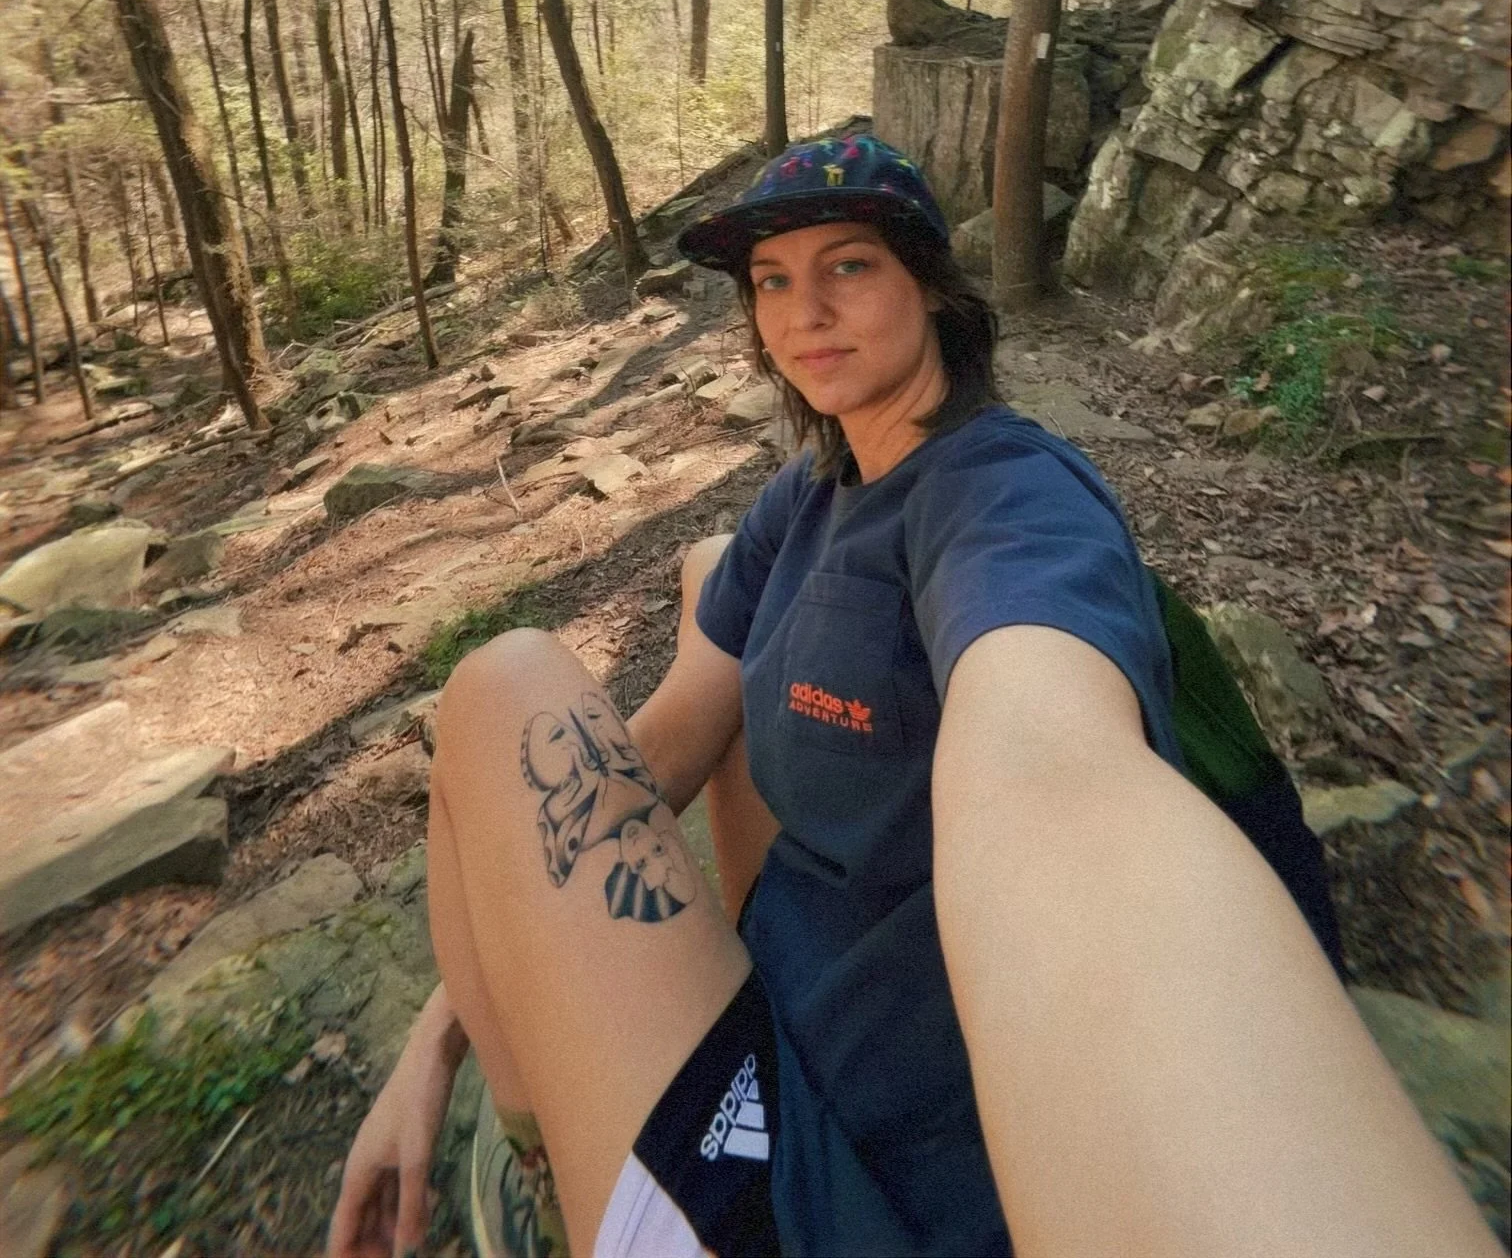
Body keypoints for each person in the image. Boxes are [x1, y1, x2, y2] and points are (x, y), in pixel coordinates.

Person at [329, 136, 1497, 1258]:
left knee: (504, 680)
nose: (803, 312)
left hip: (844, 1191)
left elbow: (1051, 764)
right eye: (771, 282)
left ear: (931, 289)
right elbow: (674, 733)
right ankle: (558, 1141)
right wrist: (447, 1034)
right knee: (703, 588)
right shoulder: (819, 487)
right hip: (799, 1016)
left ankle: (556, 1161)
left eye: (849, 266)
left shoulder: (1007, 499)